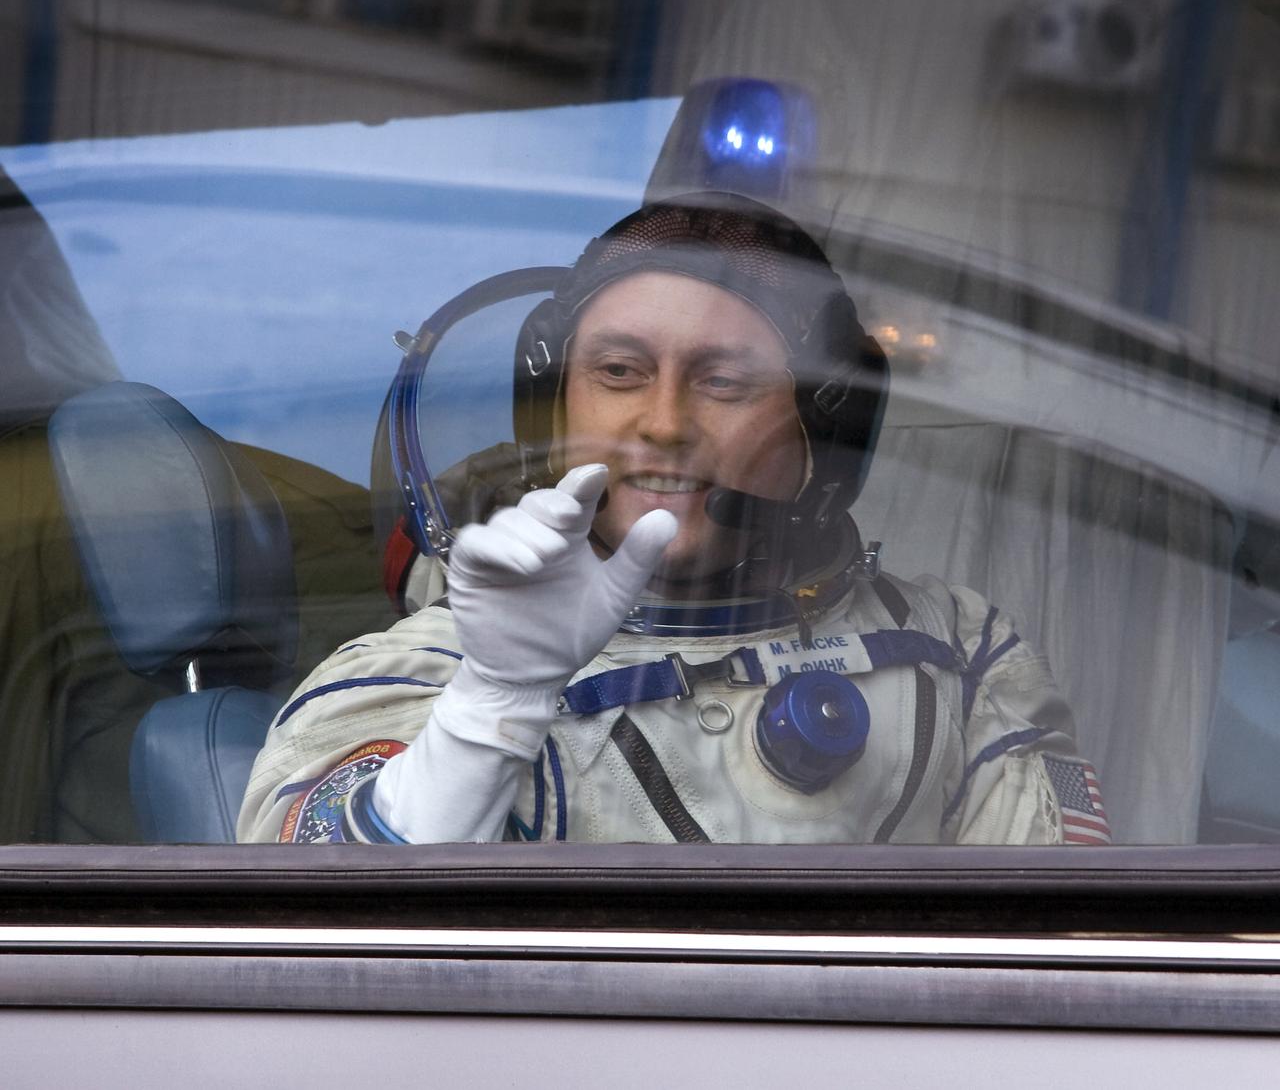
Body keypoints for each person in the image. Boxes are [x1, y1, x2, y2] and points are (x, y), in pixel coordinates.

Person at [238, 193, 1110, 846]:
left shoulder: (957, 656)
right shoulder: (427, 674)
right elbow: (319, 914)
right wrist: (495, 706)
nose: (663, 423)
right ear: (554, 409)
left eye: (724, 382)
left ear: (828, 434)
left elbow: (1061, 965)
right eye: (619, 372)